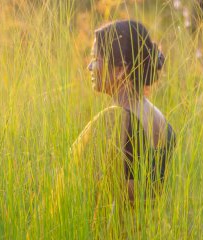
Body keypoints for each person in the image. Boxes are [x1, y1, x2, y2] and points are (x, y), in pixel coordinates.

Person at [72, 20, 176, 205]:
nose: (89, 67)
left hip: (115, 234)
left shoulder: (117, 119)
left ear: (121, 69)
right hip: (150, 233)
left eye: (96, 60)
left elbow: (88, 196)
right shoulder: (162, 120)